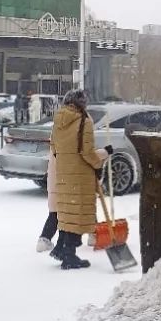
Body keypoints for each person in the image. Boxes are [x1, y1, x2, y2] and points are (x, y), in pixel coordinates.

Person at [50, 88, 111, 270]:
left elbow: (54, 148)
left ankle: (61, 249)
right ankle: (69, 256)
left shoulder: (58, 120)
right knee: (78, 214)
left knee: (69, 213)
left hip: (64, 173)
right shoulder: (84, 120)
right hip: (80, 175)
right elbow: (87, 152)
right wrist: (100, 161)